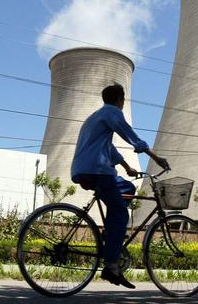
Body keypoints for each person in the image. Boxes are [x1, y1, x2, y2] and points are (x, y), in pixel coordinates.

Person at [71, 83, 169, 289]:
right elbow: (130, 135)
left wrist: (126, 167)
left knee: (127, 188)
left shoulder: (93, 118)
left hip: (84, 169)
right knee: (121, 214)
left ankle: (112, 233)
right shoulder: (112, 112)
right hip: (98, 169)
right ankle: (112, 265)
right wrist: (156, 157)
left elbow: (110, 148)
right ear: (119, 100)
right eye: (123, 101)